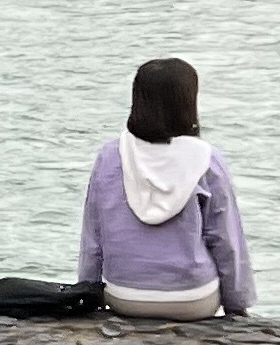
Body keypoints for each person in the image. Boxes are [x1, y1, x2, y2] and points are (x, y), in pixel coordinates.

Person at [77, 54, 254, 320]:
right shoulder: (206, 159)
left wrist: (86, 291)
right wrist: (236, 305)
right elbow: (226, 240)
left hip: (124, 296)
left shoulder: (110, 156)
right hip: (193, 299)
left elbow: (93, 240)